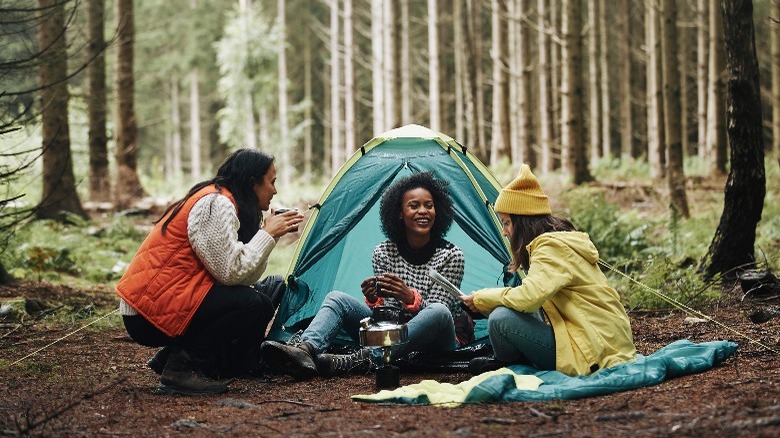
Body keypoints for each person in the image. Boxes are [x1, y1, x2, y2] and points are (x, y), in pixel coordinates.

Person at [116, 148, 304, 395]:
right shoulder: (216, 203)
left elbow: (246, 277)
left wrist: (270, 237)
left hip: (169, 300)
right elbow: (230, 273)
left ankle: (192, 359)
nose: (275, 190)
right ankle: (180, 368)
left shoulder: (226, 201)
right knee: (251, 303)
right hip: (147, 312)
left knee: (263, 295)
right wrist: (267, 234)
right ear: (252, 182)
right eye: (272, 182)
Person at [260, 171, 471, 380]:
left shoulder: (451, 255)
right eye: (414, 206)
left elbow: (437, 318)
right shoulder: (384, 252)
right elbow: (388, 317)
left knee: (439, 312)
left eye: (429, 205)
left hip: (437, 341)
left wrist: (409, 298)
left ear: (438, 210)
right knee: (337, 299)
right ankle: (306, 349)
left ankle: (368, 358)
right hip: (394, 334)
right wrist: (374, 300)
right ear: (399, 212)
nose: (423, 211)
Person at [461, 164, 636, 376]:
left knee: (500, 319)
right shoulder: (556, 243)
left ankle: (509, 366)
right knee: (505, 309)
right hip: (596, 337)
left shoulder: (550, 248)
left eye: (507, 223)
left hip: (593, 347)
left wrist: (482, 298)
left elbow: (528, 298)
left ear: (523, 221)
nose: (505, 233)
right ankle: (511, 362)